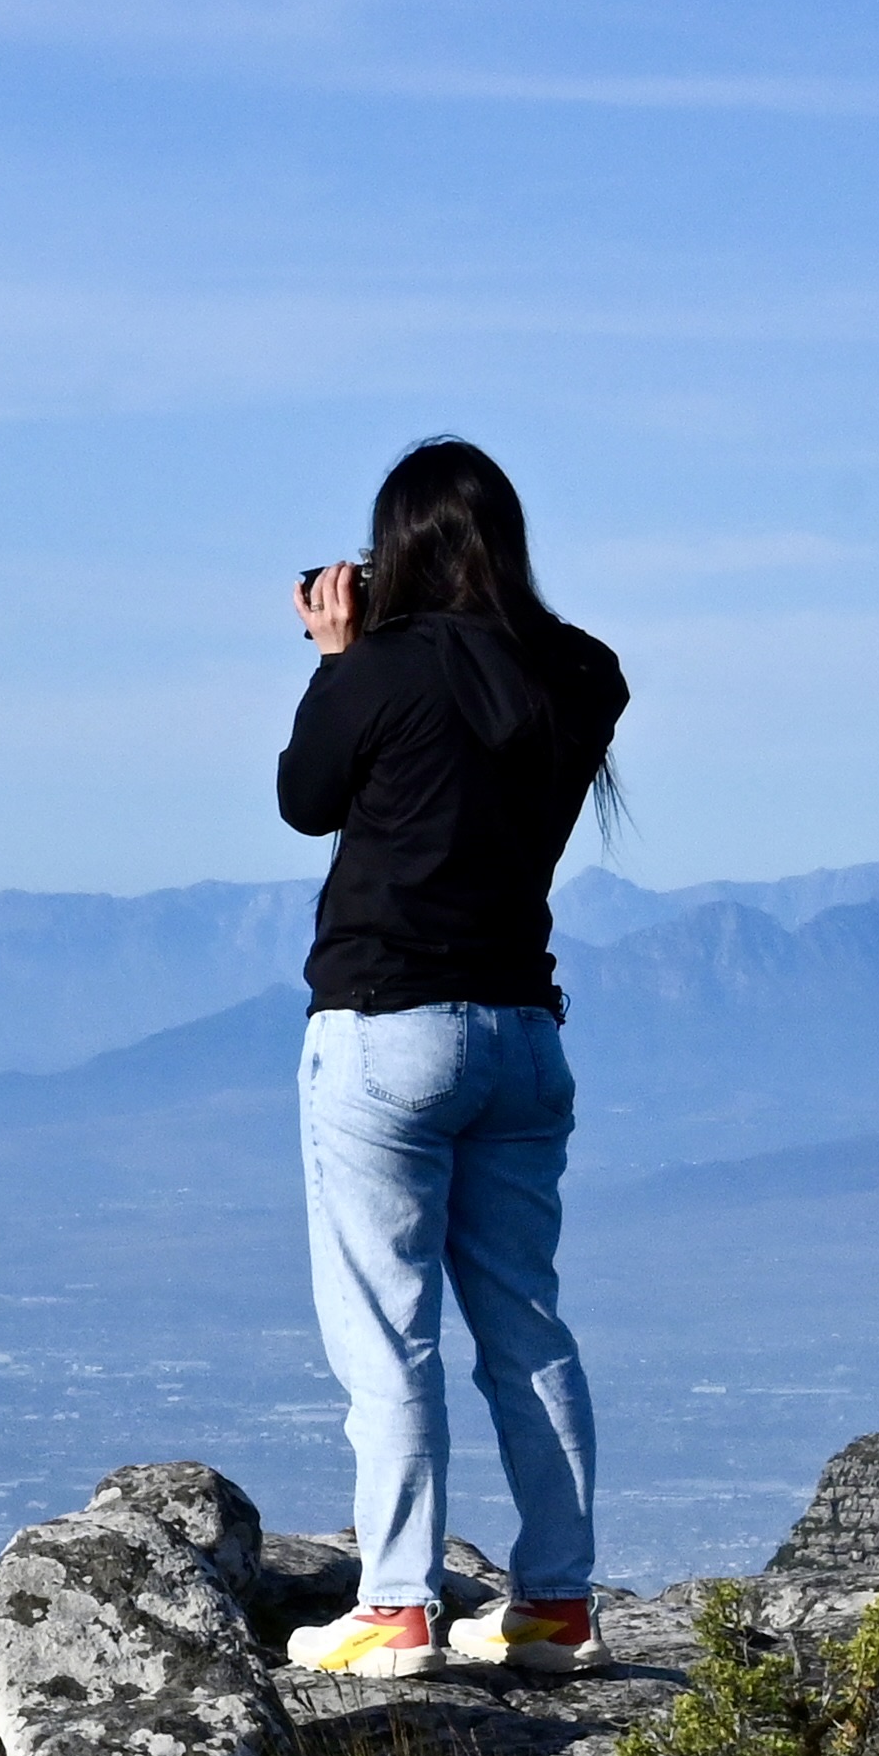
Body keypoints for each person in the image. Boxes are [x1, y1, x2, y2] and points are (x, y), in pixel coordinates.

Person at [272, 440, 628, 1680]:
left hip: (387, 1027)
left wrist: (339, 658)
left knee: (390, 1333)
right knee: (525, 1321)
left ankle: (400, 1606)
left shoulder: (379, 669)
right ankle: (556, 1602)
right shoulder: (582, 675)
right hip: (523, 1036)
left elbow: (305, 798)